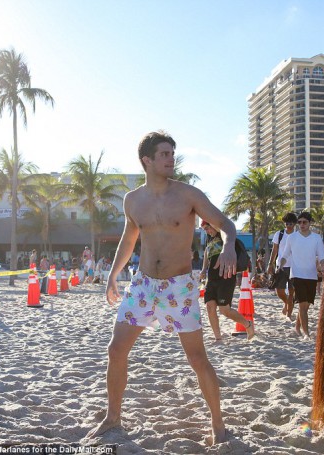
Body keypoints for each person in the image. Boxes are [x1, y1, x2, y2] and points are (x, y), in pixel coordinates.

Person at [86, 130, 237, 445]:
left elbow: (226, 224)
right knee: (116, 349)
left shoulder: (188, 195)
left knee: (197, 358)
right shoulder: (133, 200)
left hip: (179, 288)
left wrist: (229, 245)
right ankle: (113, 417)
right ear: (147, 160)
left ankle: (219, 425)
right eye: (165, 154)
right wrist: (114, 275)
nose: (171, 159)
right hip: (142, 285)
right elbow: (129, 239)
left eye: (172, 153)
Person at [200, 220, 254, 342]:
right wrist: (203, 269)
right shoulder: (210, 238)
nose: (207, 231)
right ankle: (218, 338)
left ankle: (247, 325)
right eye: (205, 230)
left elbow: (229, 239)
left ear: (214, 225)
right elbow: (206, 253)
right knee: (210, 307)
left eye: (208, 228)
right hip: (212, 277)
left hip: (226, 276)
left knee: (225, 310)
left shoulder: (224, 234)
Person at [278, 212, 324, 339]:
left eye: (304, 222)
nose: (301, 224)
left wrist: (323, 266)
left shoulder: (316, 238)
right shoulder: (292, 237)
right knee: (302, 305)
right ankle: (306, 334)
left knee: (305, 306)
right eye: (299, 222)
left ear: (310, 223)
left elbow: (321, 256)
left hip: (311, 276)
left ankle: (298, 327)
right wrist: (280, 264)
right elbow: (285, 254)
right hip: (297, 275)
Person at [267, 212, 297, 320]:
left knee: (292, 290)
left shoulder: (298, 235)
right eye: (286, 223)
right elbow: (274, 251)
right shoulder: (279, 234)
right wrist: (270, 264)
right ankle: (287, 304)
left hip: (295, 267)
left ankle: (289, 315)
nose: (288, 225)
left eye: (290, 223)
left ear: (294, 224)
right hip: (281, 266)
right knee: (279, 291)